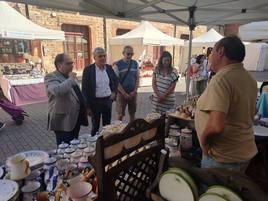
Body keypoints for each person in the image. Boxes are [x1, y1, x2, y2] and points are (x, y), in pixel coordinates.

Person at [195, 36, 258, 173]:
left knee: (213, 194)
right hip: (242, 153)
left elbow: (217, 126)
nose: (210, 56)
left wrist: (204, 143)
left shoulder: (222, 79)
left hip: (222, 158)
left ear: (221, 51)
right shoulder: (249, 78)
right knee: (230, 193)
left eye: (212, 52)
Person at [44, 53, 88, 145]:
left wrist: (86, 107)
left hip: (75, 118)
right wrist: (71, 79)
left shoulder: (70, 76)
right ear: (59, 65)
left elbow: (78, 93)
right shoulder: (51, 76)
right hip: (62, 121)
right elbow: (57, 90)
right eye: (68, 63)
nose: (72, 65)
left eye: (72, 63)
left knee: (74, 145)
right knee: (64, 148)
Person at [82, 47, 118, 136]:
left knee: (107, 125)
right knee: (95, 126)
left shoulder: (109, 68)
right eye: (100, 56)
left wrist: (114, 92)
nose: (103, 58)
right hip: (95, 102)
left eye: (104, 56)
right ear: (94, 58)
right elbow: (85, 90)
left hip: (107, 101)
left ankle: (107, 144)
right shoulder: (88, 70)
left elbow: (116, 80)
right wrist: (87, 107)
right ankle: (95, 145)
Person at [113, 46, 139, 122]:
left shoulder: (135, 63)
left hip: (132, 93)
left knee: (132, 113)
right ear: (123, 53)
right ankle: (119, 132)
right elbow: (116, 81)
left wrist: (135, 91)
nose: (130, 56)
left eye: (132, 54)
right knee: (120, 115)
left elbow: (137, 78)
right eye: (128, 54)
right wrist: (124, 94)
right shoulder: (118, 65)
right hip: (121, 94)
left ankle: (132, 131)